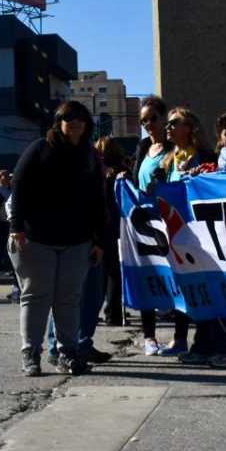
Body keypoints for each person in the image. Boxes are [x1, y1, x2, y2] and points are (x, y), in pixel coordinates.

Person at [9, 101, 105, 376]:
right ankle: (31, 355)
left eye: (80, 118)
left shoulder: (89, 155)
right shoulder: (41, 147)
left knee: (69, 299)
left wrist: (98, 240)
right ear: (58, 121)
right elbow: (19, 184)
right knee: (36, 297)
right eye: (68, 117)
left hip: (78, 241)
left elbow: (98, 200)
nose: (75, 122)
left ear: (87, 124)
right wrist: (17, 227)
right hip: (36, 238)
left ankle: (68, 353)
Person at [162, 107, 226, 368]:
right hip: (183, 238)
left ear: (190, 127)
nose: (168, 127)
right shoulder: (170, 159)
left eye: (175, 123)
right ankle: (203, 345)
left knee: (213, 289)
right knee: (197, 293)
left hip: (205, 236)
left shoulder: (206, 157)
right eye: (168, 124)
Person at [126, 95, 172, 355]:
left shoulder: (174, 148)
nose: (149, 124)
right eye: (144, 120)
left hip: (168, 222)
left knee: (174, 276)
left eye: (153, 118)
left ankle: (179, 336)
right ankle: (149, 337)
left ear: (164, 118)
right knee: (147, 277)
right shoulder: (143, 147)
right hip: (144, 223)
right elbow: (135, 180)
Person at [97, 137, 129, 326]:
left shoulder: (97, 171)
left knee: (101, 271)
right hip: (121, 224)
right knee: (114, 272)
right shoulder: (124, 171)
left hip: (103, 225)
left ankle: (96, 311)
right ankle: (113, 313)